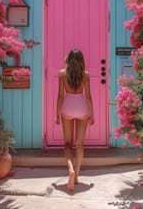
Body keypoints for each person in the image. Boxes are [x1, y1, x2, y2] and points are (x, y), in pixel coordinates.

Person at [56, 48, 94, 192]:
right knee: (80, 144)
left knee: (67, 143)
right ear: (81, 60)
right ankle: (77, 174)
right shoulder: (86, 75)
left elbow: (60, 95)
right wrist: (92, 114)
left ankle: (70, 169)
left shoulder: (62, 74)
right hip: (82, 107)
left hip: (67, 106)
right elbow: (89, 96)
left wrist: (56, 113)